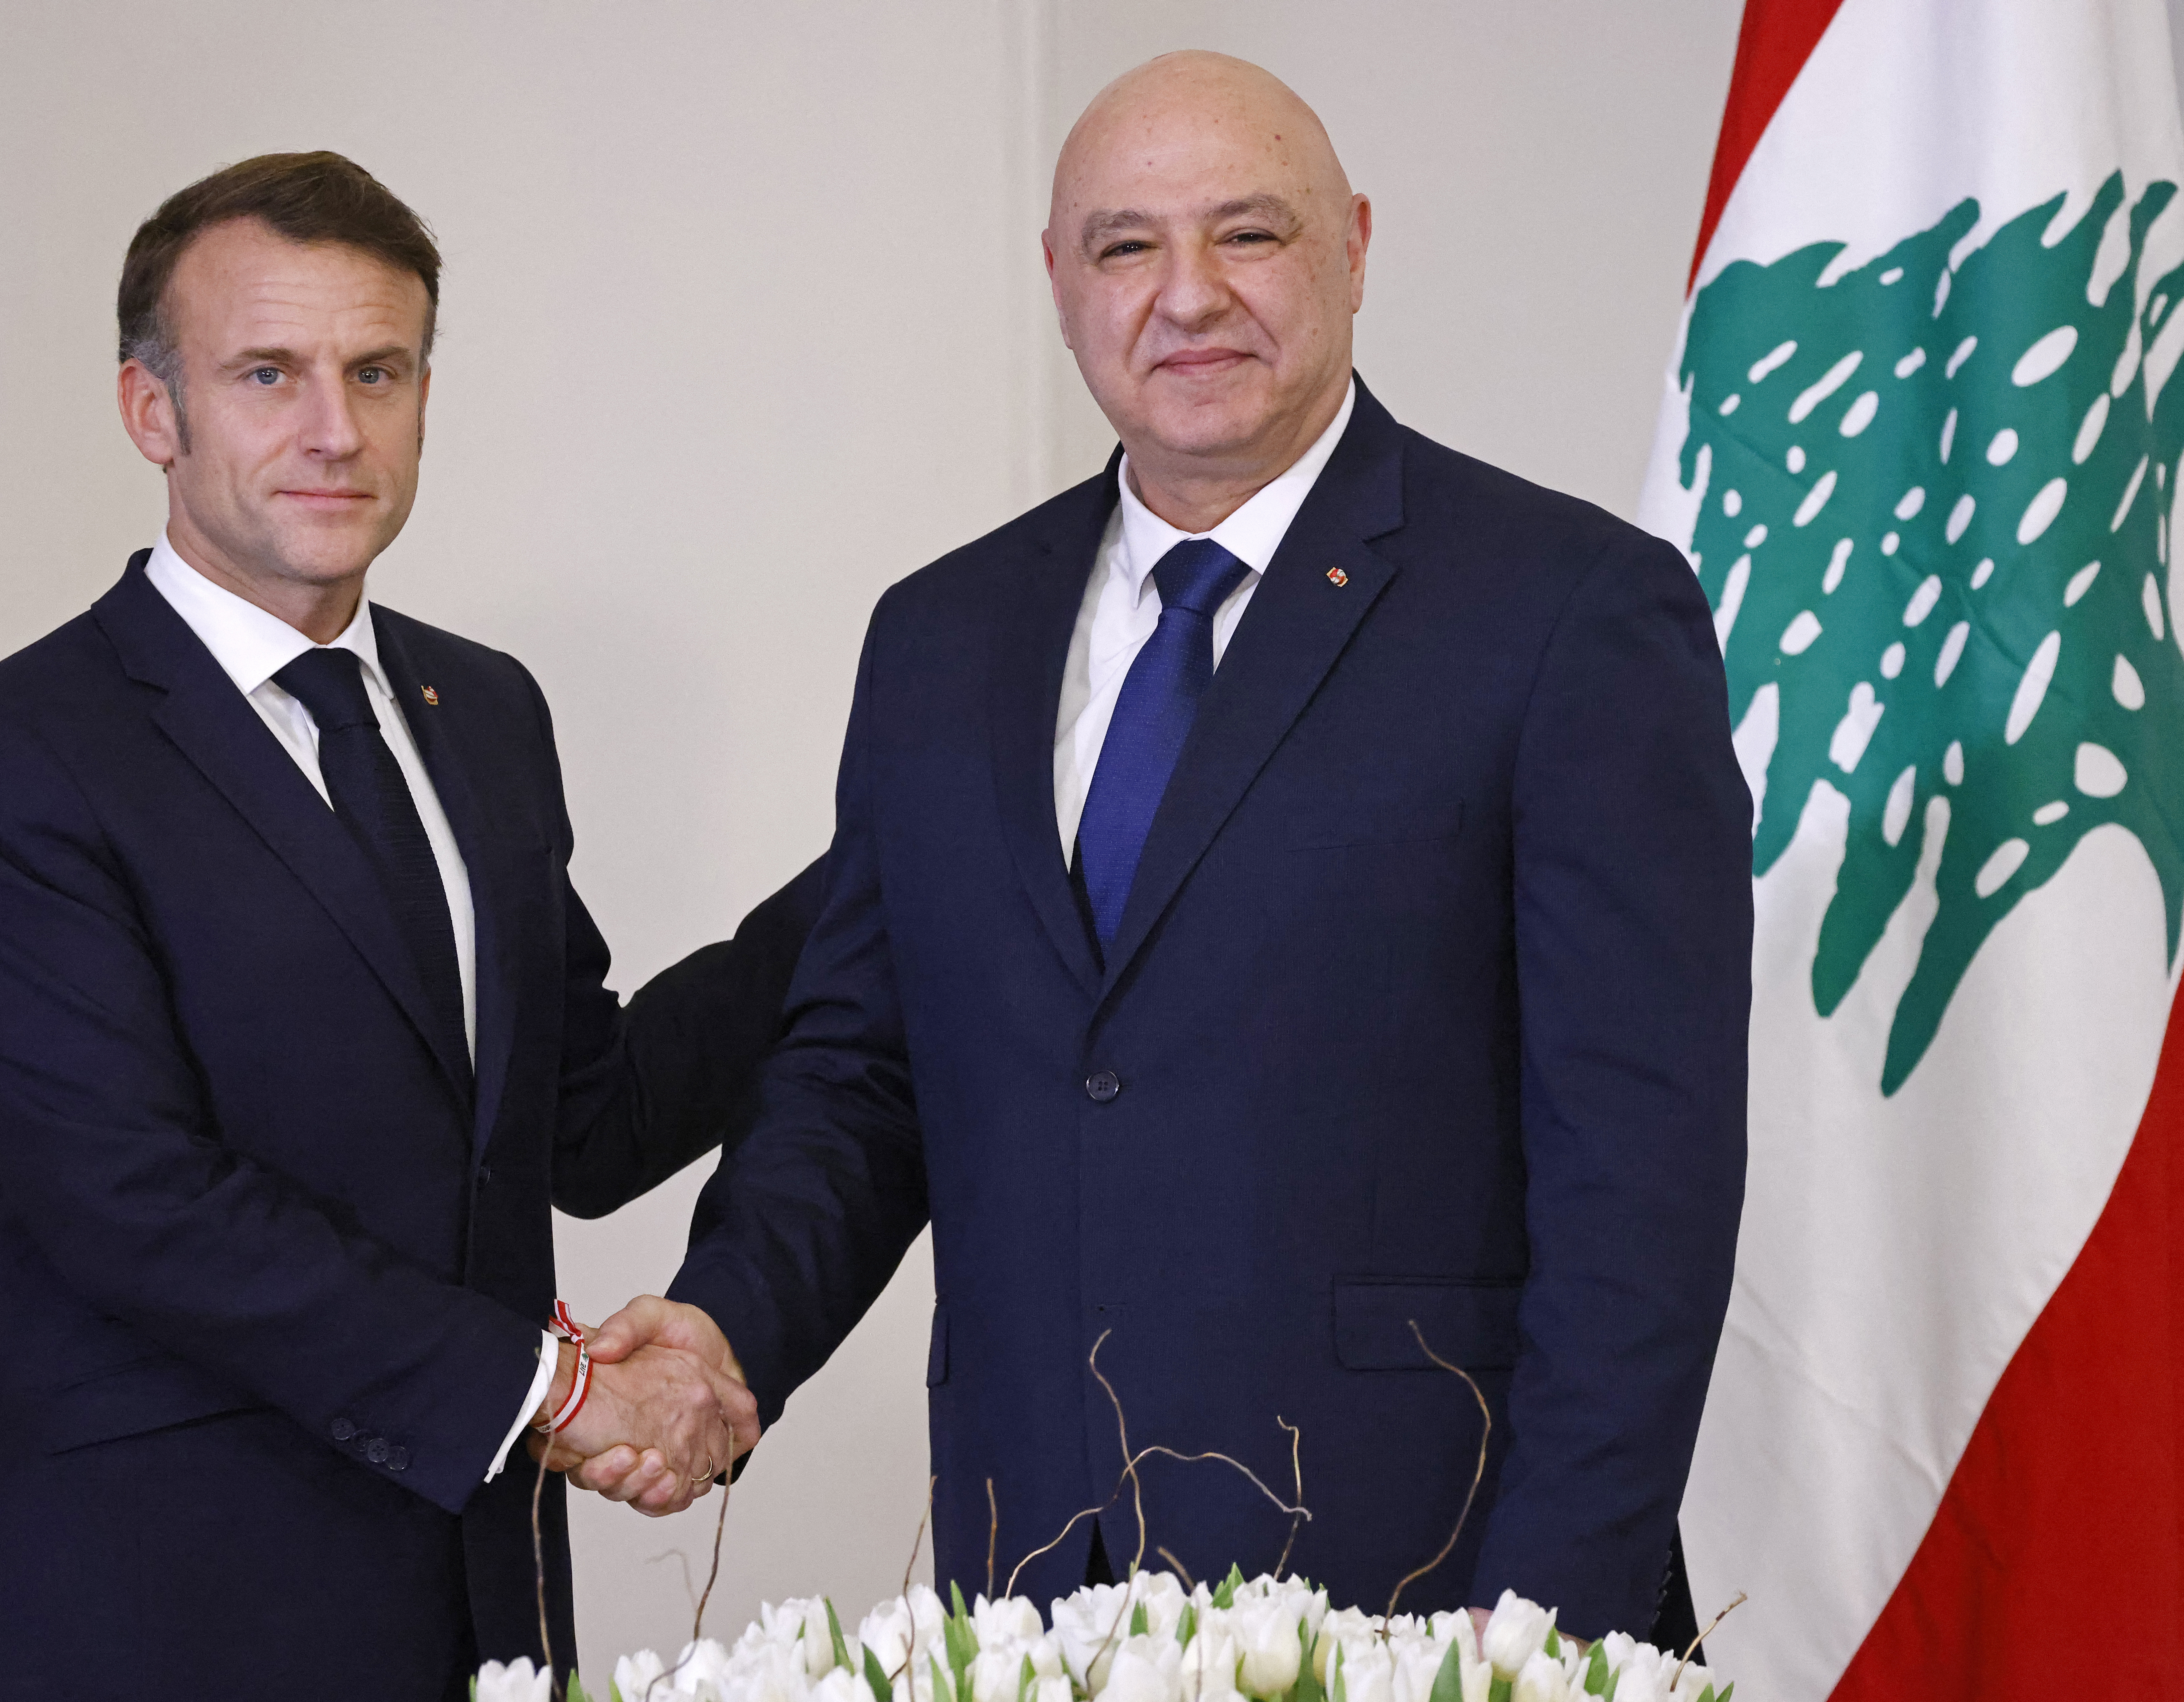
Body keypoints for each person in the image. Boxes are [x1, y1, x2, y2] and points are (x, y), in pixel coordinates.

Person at [562, 53, 1751, 1644]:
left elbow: (1642, 1197)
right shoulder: (940, 636)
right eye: (1125, 247)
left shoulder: (1568, 613)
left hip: (1427, 1599)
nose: (1185, 296)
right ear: (1058, 283)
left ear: (1353, 244)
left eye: (1246, 235)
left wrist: (1539, 1637)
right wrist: (723, 1334)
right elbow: (864, 1070)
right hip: (1037, 1584)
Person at [0, 152, 819, 1700]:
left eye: (376, 370)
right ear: (150, 412)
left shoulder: (486, 711)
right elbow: (140, 1202)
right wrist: (560, 1390)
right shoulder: (7, 754)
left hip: (465, 1585)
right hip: (140, 1599)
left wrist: (894, 869)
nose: (335, 427)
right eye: (269, 373)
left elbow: (582, 1115)